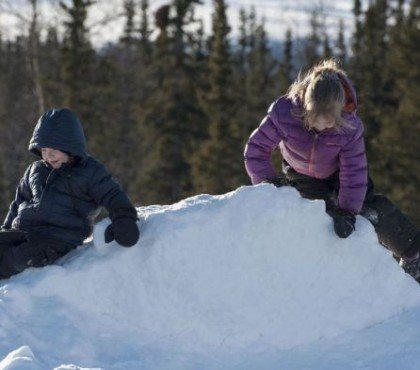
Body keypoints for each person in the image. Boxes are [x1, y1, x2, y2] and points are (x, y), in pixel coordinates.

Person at [244, 59, 420, 282]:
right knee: (318, 216)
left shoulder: (349, 127)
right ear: (305, 109)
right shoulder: (284, 112)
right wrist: (267, 182)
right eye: (314, 122)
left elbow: (354, 171)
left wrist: (347, 211)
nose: (321, 129)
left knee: (368, 209)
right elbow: (256, 150)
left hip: (340, 175)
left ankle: (414, 253)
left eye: (328, 125)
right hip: (300, 173)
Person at [0, 108, 140, 279]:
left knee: (20, 256)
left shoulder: (90, 172)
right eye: (44, 150)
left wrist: (124, 220)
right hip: (26, 230)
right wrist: (6, 231)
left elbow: (113, 196)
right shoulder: (35, 170)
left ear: (70, 146)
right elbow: (19, 201)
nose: (48, 156)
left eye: (54, 150)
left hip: (59, 238)